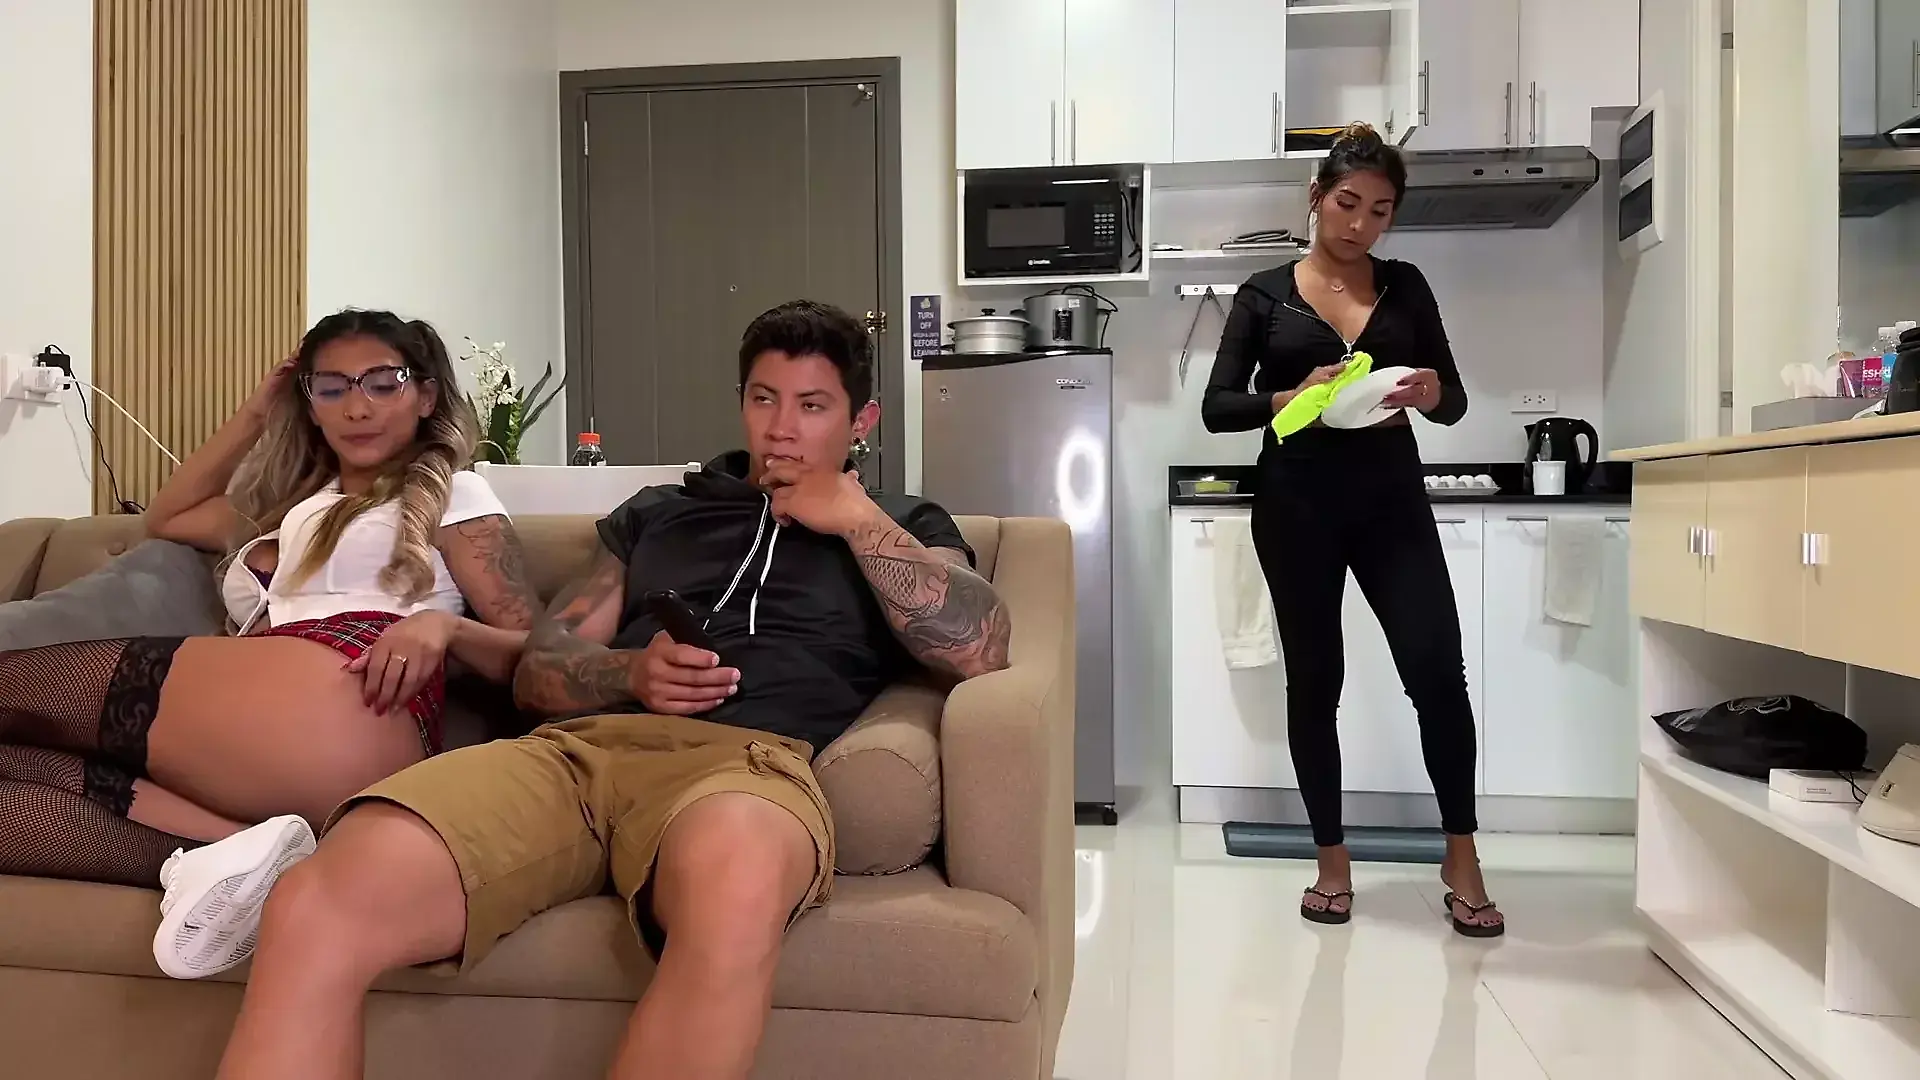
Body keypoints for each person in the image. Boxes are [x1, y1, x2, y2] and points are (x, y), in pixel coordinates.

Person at [207, 299, 1012, 1080]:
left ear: (861, 420)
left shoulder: (903, 522)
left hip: (749, 765)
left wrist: (858, 521)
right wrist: (629, 673)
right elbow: (539, 666)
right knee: (315, 902)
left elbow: (981, 648)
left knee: (735, 887)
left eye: (812, 406)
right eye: (764, 399)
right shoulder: (659, 514)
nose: (781, 428)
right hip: (575, 754)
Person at [0, 309, 537, 942]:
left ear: (425, 396)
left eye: (382, 383)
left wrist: (445, 632)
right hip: (266, 734)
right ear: (308, 404)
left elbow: (541, 657)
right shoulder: (296, 509)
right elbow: (166, 518)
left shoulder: (457, 494)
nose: (356, 408)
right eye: (331, 388)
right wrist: (257, 412)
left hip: (353, 701)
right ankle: (254, 856)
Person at [1200, 122, 1503, 937]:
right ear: (1316, 197)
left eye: (1379, 210)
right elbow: (1218, 406)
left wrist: (1431, 393)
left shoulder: (1407, 286)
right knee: (1315, 683)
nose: (1360, 223)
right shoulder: (1264, 294)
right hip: (1297, 499)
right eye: (1347, 203)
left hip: (1390, 497)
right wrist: (1292, 395)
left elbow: (1453, 401)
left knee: (1436, 673)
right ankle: (1331, 862)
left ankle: (1462, 856)